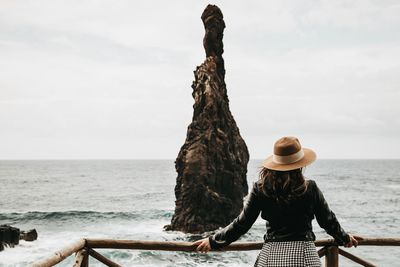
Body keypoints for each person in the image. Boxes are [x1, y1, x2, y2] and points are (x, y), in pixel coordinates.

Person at [193, 136, 361, 266]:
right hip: (303, 253)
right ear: (300, 164)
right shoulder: (310, 188)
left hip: (272, 254)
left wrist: (213, 240)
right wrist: (344, 238)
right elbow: (327, 220)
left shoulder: (261, 189)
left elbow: (242, 223)